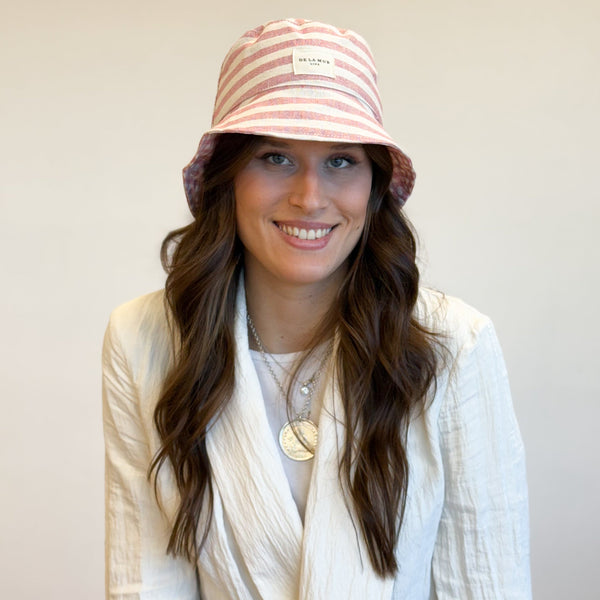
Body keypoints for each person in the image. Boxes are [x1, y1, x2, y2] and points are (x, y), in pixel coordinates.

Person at [102, 18, 531, 599]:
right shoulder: (143, 340)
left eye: (341, 160)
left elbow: (487, 582)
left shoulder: (455, 345)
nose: (309, 197)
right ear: (228, 177)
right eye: (276, 157)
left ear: (373, 185)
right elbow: (145, 581)